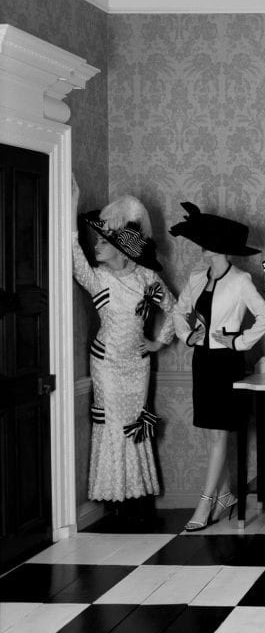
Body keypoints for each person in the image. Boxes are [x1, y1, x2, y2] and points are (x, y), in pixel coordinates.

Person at [71, 177, 176, 518]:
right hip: (106, 364)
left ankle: (136, 495)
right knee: (112, 423)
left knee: (134, 423)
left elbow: (173, 309)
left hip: (137, 364)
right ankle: (112, 497)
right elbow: (75, 256)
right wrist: (71, 207)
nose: (95, 246)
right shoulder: (98, 278)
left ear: (120, 247)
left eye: (102, 241)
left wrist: (158, 342)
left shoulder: (146, 278)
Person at [170, 202, 265, 531]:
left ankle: (205, 503)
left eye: (207, 241)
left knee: (218, 435)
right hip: (202, 361)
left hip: (227, 363)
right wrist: (187, 336)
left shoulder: (241, 280)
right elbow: (178, 312)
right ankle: (226, 495)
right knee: (210, 434)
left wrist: (238, 342)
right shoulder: (196, 278)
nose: (202, 246)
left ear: (222, 247)